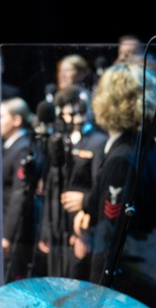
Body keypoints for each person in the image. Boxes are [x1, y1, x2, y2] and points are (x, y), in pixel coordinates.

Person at [72, 63, 156, 308]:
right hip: (151, 274)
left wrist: (97, 296)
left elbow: (111, 237)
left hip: (125, 290)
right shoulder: (151, 148)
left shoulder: (121, 159)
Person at [36, 84, 108, 280]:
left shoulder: (98, 141)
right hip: (57, 226)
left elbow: (98, 187)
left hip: (79, 228)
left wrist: (86, 231)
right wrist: (45, 231)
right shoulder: (59, 139)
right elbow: (51, 188)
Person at [0, 97, 37, 281]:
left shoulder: (22, 148)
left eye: (1, 116)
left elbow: (18, 195)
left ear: (17, 120)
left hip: (17, 231)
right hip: (5, 223)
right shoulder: (8, 147)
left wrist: (7, 234)